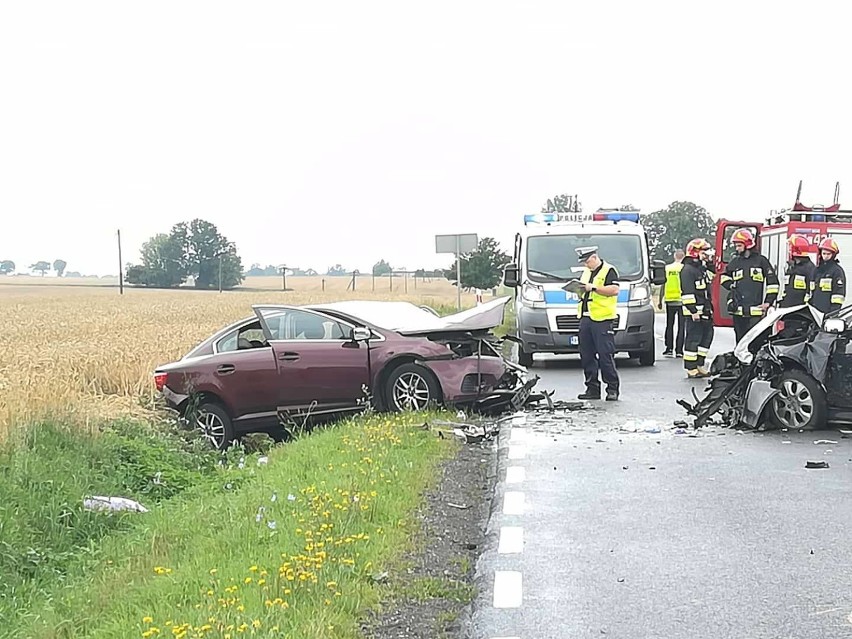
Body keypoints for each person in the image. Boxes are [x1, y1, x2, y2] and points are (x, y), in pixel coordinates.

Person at [574, 246, 621, 401]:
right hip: (586, 317)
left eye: (588, 261)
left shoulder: (609, 270)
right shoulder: (586, 272)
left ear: (594, 257)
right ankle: (592, 388)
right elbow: (584, 289)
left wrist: (593, 288)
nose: (586, 265)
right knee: (586, 355)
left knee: (605, 355)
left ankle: (612, 388)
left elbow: (614, 290)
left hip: (602, 319)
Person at [720, 229, 780, 343]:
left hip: (756, 312)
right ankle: (741, 361)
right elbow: (723, 277)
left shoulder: (761, 261)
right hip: (738, 312)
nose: (737, 249)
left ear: (747, 245)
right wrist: (732, 286)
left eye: (739, 245)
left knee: (755, 342)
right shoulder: (735, 262)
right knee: (740, 342)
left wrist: (768, 302)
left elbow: (773, 283)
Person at [680, 238, 714, 379]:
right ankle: (691, 367)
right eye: (704, 251)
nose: (706, 254)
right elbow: (687, 293)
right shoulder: (687, 270)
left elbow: (712, 278)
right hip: (694, 312)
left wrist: (710, 263)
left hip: (705, 310)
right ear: (695, 252)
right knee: (693, 339)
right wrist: (693, 311)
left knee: (706, 337)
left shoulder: (701, 269)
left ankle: (700, 364)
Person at [658, 249, 685, 357]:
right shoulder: (684, 268)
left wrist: (660, 300)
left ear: (674, 256)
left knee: (669, 325)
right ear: (683, 257)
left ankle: (668, 348)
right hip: (682, 300)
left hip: (670, 300)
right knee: (681, 326)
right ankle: (679, 350)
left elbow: (662, 285)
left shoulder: (667, 268)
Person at [808, 237, 846, 314]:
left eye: (828, 254)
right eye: (824, 253)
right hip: (814, 312)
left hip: (828, 313)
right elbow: (811, 292)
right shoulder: (816, 270)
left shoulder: (837, 271)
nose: (825, 256)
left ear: (833, 254)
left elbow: (838, 295)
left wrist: (833, 312)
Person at [779, 234, 816, 308]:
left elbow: (811, 292)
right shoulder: (791, 267)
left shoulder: (809, 268)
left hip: (799, 310)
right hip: (787, 307)